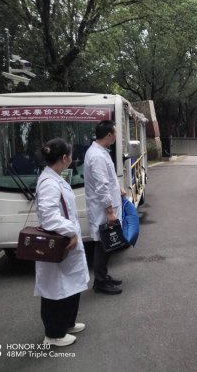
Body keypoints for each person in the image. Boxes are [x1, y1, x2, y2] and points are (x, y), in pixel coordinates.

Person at [36, 139, 89, 347]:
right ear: (64, 157)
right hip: (58, 243)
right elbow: (49, 217)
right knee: (55, 289)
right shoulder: (49, 183)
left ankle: (67, 323)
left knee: (70, 284)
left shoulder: (55, 178)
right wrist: (71, 231)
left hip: (67, 243)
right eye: (71, 155)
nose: (72, 159)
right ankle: (53, 334)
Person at [84, 120, 126, 295]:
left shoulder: (101, 152)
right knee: (104, 245)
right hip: (103, 210)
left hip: (107, 206)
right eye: (115, 133)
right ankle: (100, 282)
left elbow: (107, 180)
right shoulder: (97, 157)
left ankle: (103, 276)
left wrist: (118, 188)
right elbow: (101, 187)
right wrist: (109, 212)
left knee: (107, 244)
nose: (116, 136)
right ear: (109, 135)